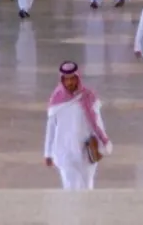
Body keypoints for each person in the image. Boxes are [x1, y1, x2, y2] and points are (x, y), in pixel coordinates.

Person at [44, 61, 112, 190]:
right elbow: (51, 128)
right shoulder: (56, 100)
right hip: (64, 150)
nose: (70, 83)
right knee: (70, 186)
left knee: (87, 186)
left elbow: (97, 123)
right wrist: (48, 153)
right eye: (66, 79)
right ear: (62, 80)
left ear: (77, 78)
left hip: (86, 151)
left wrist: (101, 144)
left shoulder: (88, 97)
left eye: (72, 79)